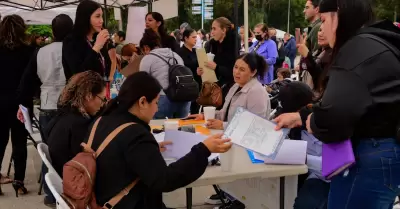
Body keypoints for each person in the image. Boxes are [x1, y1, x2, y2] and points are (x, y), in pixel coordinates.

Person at [274, 0, 400, 208]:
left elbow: (332, 118)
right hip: (384, 153)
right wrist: (302, 116)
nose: (321, 28)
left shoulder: (357, 48)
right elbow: (353, 101)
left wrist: (313, 122)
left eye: (323, 20)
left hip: (369, 155)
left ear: (340, 16)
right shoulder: (375, 42)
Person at [90, 71, 232, 209]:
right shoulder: (135, 133)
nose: (157, 109)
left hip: (102, 199)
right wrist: (203, 149)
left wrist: (149, 150)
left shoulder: (102, 120)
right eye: (156, 103)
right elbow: (165, 180)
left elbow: (117, 156)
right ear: (142, 102)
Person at [16, 14, 73, 207]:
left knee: (49, 152)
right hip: (70, 105)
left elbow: (26, 82)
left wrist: (25, 107)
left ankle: (50, 193)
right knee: (73, 151)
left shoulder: (40, 51)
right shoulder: (76, 49)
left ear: (53, 32)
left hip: (48, 104)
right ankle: (72, 191)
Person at [0, 14, 36, 196]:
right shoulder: (28, 51)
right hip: (21, 103)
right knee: (19, 142)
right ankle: (19, 181)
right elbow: (33, 79)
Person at [46, 71, 106, 177]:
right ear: (88, 95)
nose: (102, 104)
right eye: (102, 99)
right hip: (72, 181)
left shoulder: (64, 112)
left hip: (61, 174)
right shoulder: (79, 124)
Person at [193, 52, 271, 131]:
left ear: (253, 72)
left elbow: (255, 124)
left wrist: (223, 125)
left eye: (242, 69)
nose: (236, 72)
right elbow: (224, 113)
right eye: (236, 67)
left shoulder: (257, 92)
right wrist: (205, 115)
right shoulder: (235, 86)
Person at [139, 29, 190, 119]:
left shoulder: (148, 58)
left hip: (164, 98)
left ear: (146, 47)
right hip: (184, 97)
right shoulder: (175, 55)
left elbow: (143, 84)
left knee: (159, 130)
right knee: (181, 129)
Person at [62, 0, 112, 80]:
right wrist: (96, 48)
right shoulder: (71, 40)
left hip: (100, 88)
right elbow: (79, 73)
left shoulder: (96, 37)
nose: (101, 21)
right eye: (97, 16)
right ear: (85, 17)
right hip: (81, 91)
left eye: (102, 16)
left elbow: (106, 64)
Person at [200, 17, 239, 102]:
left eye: (214, 29)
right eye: (211, 29)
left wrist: (216, 67)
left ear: (223, 30)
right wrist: (201, 71)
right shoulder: (211, 45)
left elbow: (233, 71)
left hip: (228, 89)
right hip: (213, 88)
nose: (212, 32)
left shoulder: (233, 46)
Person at [178, 29, 201, 114]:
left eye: (196, 37)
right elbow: (181, 70)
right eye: (193, 37)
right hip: (187, 85)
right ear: (186, 38)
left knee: (196, 109)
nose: (196, 39)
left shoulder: (196, 51)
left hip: (197, 85)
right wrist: (195, 72)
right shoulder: (180, 53)